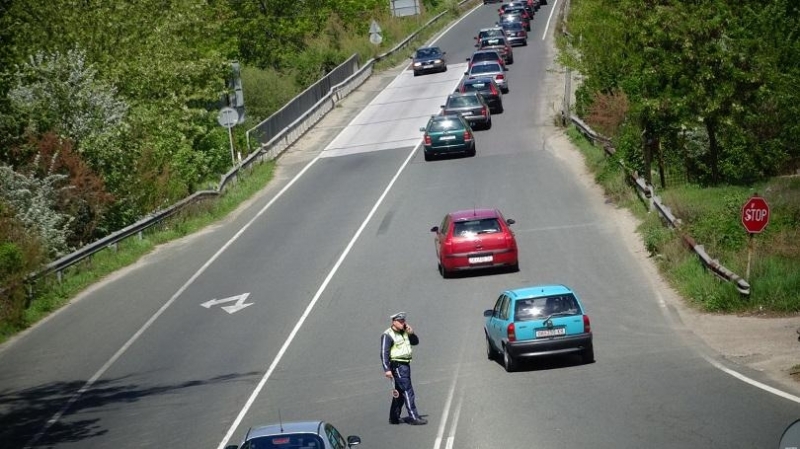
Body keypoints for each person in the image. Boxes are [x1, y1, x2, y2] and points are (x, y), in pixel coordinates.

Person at [380, 312, 427, 425]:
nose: (403, 323)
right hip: (398, 365)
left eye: (403, 321)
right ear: (393, 321)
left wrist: (411, 333)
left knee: (400, 392)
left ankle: (394, 418)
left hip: (405, 365)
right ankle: (413, 417)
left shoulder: (404, 331)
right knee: (407, 391)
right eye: (400, 321)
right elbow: (383, 352)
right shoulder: (388, 334)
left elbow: (415, 342)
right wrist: (387, 369)